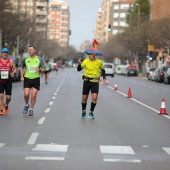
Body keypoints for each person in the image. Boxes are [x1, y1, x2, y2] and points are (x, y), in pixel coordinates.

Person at [77, 52, 107, 119]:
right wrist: (79, 63)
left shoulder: (99, 62)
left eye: (91, 54)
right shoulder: (86, 61)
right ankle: (83, 111)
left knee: (94, 97)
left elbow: (103, 70)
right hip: (86, 81)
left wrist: (104, 78)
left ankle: (91, 112)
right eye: (89, 54)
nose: (89, 55)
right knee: (84, 98)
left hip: (95, 82)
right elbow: (78, 69)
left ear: (94, 55)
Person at [20, 46, 45, 116]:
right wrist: (22, 76)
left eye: (31, 50)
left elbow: (44, 69)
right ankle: (26, 105)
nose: (30, 51)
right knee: (26, 94)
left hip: (36, 79)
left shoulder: (39, 59)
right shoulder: (25, 59)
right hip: (27, 78)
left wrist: (39, 70)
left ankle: (31, 109)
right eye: (29, 50)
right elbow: (21, 67)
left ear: (35, 50)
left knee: (33, 95)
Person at [0, 47, 16, 115]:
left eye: (6, 53)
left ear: (7, 53)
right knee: (0, 96)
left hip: (8, 81)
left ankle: (6, 105)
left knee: (8, 97)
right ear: (1, 53)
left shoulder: (11, 61)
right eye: (4, 52)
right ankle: (1, 109)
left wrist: (13, 73)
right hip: (0, 81)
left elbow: (14, 69)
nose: (5, 54)